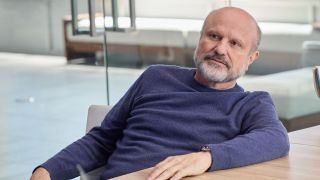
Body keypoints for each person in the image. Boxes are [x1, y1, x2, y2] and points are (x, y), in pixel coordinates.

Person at [31, 7, 289, 180]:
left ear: (251, 58)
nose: (220, 49)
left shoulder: (251, 103)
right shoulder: (156, 77)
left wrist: (206, 158)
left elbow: (276, 139)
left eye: (235, 43)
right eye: (213, 36)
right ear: (200, 41)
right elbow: (103, 140)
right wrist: (47, 171)